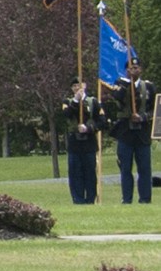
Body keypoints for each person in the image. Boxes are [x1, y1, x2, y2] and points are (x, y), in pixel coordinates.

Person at [105, 60, 155, 204]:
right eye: (131, 68)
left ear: (141, 69)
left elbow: (155, 108)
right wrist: (128, 82)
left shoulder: (149, 87)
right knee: (125, 168)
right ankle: (127, 199)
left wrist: (143, 117)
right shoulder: (120, 84)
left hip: (142, 133)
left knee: (144, 168)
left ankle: (145, 199)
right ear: (126, 70)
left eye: (136, 67)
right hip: (125, 132)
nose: (134, 70)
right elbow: (117, 97)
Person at [62, 82, 103, 205]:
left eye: (79, 85)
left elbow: (102, 122)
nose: (77, 88)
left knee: (90, 173)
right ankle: (78, 199)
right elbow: (67, 114)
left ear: (84, 86)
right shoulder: (67, 102)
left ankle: (90, 199)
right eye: (74, 85)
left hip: (89, 142)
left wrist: (88, 128)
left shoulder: (93, 102)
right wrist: (76, 100)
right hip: (74, 143)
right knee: (75, 173)